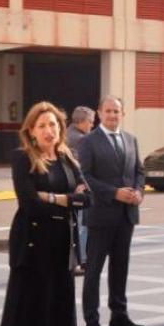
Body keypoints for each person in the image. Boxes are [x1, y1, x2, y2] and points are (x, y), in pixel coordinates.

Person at [0, 101, 86, 326]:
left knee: (54, 311)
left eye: (54, 125)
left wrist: (53, 197)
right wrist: (66, 199)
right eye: (43, 125)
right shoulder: (23, 159)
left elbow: (88, 199)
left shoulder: (67, 159)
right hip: (33, 246)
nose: (50, 130)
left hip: (62, 244)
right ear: (31, 131)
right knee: (29, 312)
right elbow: (29, 203)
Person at [75, 96, 146, 326]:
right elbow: (84, 177)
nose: (112, 115)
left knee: (120, 268)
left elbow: (139, 171)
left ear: (122, 114)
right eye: (108, 111)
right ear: (98, 114)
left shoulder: (131, 139)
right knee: (94, 270)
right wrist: (114, 193)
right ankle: (92, 321)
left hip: (126, 216)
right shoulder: (88, 142)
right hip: (101, 215)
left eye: (116, 111)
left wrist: (139, 191)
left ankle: (119, 316)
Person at [67, 105, 97, 265]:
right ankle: (82, 259)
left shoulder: (66, 133)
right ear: (83, 121)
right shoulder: (81, 139)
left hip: (67, 188)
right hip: (79, 188)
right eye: (91, 122)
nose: (92, 125)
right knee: (82, 225)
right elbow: (83, 166)